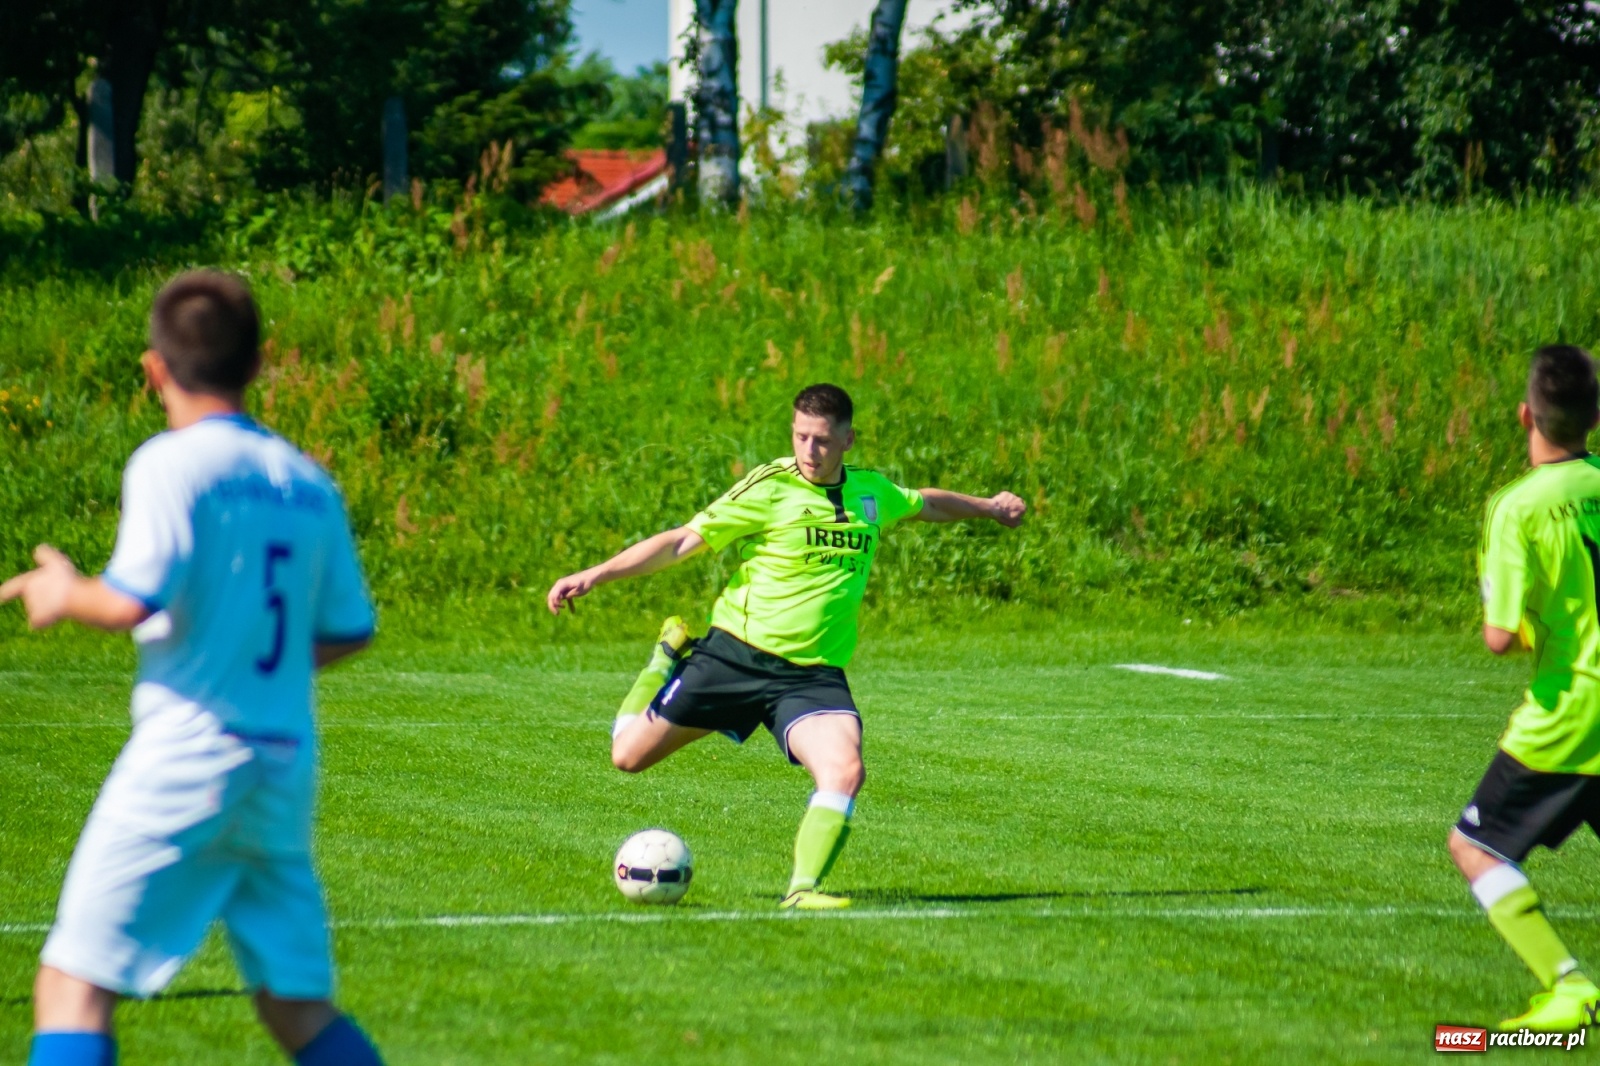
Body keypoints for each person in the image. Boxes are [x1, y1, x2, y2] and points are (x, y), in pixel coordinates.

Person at [1, 272, 384, 1065]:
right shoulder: (308, 482)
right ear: (261, 362)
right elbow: (350, 628)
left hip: (190, 757)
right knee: (295, 1005)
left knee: (72, 987)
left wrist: (63, 590)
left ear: (153, 370)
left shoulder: (171, 465)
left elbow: (131, 600)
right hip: (280, 767)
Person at [547, 383, 1026, 909]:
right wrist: (596, 574)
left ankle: (802, 890)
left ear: (848, 439)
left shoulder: (871, 493)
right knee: (627, 757)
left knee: (845, 769)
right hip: (734, 657)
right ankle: (662, 662)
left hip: (812, 676)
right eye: (800, 436)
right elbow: (683, 540)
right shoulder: (771, 487)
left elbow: (924, 504)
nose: (808, 451)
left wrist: (989, 507)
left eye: (821, 440)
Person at [1450, 344, 1600, 1032]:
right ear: (1593, 418)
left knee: (1475, 846)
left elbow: (1500, 635)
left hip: (1571, 709)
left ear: (1523, 416)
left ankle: (1568, 988)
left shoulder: (1517, 507)